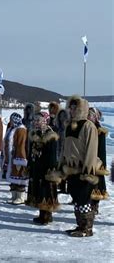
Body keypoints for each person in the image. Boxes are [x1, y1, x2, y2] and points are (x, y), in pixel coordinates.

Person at [47, 96, 107, 237]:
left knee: (84, 198)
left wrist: (88, 170)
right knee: (76, 197)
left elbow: (91, 150)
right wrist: (61, 165)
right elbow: (65, 148)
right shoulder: (69, 125)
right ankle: (80, 225)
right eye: (71, 108)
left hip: (84, 169)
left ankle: (87, 228)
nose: (73, 111)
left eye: (76, 108)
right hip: (71, 169)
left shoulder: (88, 126)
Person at [26, 112, 60, 225]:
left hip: (46, 169)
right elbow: (31, 152)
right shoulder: (35, 134)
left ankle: (46, 215)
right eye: (34, 120)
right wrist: (29, 165)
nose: (36, 122)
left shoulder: (50, 135)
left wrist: (50, 170)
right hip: (37, 168)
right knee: (39, 191)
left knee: (46, 191)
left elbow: (52, 155)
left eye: (38, 120)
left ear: (45, 121)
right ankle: (42, 214)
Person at [87, 107, 109, 214]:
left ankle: (95, 206)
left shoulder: (99, 131)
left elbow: (102, 150)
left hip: (96, 161)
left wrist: (101, 165)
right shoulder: (85, 129)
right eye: (87, 114)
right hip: (86, 161)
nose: (88, 116)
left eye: (90, 115)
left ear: (95, 117)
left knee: (96, 185)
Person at [4, 113, 28, 205]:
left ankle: (20, 197)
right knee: (13, 176)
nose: (10, 121)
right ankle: (14, 195)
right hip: (11, 157)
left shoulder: (21, 130)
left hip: (17, 157)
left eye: (11, 119)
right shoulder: (12, 128)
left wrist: (20, 159)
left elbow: (21, 145)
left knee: (19, 176)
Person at [55, 109, 69, 194]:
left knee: (66, 170)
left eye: (63, 116)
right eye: (60, 116)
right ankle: (62, 186)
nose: (62, 118)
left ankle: (67, 188)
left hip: (67, 152)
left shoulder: (68, 128)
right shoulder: (58, 128)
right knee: (60, 169)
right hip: (59, 151)